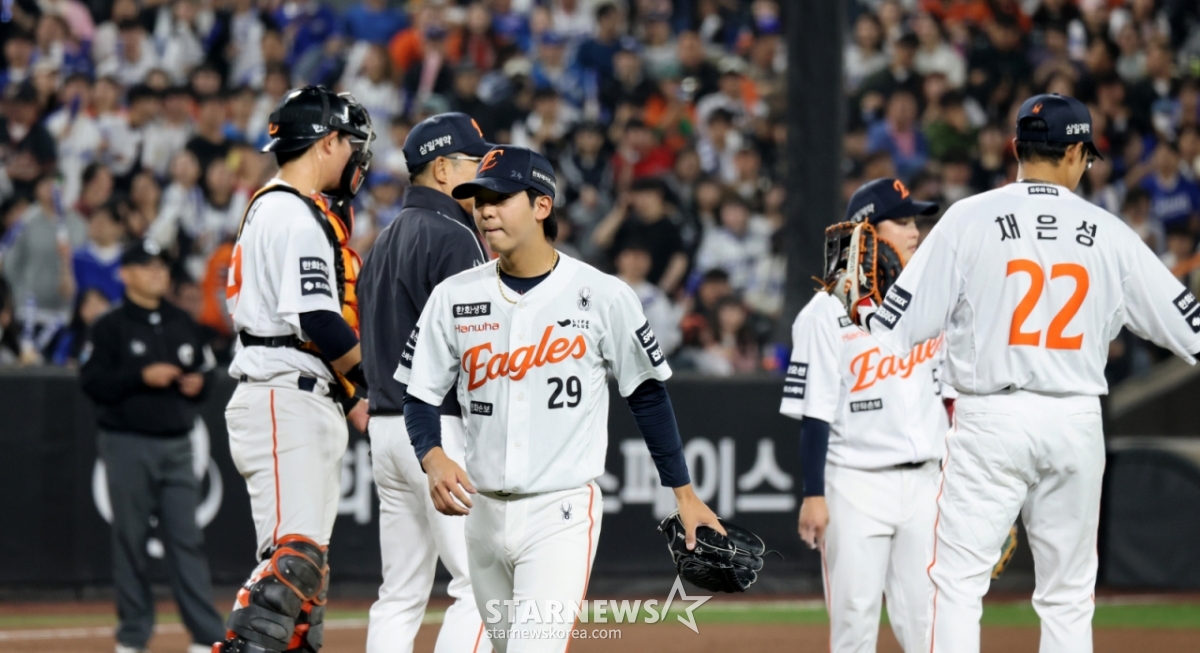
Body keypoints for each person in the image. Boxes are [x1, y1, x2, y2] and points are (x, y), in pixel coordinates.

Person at [862, 94, 1200, 653]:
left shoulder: (968, 218)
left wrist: (860, 308)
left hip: (992, 417)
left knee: (958, 584)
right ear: (1072, 152)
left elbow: (895, 329)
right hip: (1076, 418)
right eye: (1085, 156)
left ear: (1017, 147)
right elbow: (1191, 329)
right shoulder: (1109, 231)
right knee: (1068, 595)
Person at [399, 145, 725, 651]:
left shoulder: (603, 295)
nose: (485, 211)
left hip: (560, 513)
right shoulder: (454, 295)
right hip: (482, 516)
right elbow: (419, 394)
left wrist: (683, 494)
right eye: (479, 200)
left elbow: (647, 396)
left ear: (542, 205)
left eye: (500, 198)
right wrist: (432, 454)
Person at [216, 86, 374, 653]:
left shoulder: (281, 207)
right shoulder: (293, 212)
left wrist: (351, 394)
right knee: (292, 567)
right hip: (285, 392)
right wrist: (377, 383)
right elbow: (319, 321)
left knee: (304, 592)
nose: (358, 155)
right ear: (327, 142)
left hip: (300, 389)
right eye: (351, 142)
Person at [780, 178, 949, 653]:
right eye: (902, 221)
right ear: (867, 233)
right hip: (855, 483)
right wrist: (814, 494)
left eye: (916, 221)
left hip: (927, 481)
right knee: (854, 622)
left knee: (929, 624)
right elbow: (814, 414)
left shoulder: (930, 301)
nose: (914, 231)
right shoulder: (823, 313)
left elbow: (952, 400)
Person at [357, 112, 492, 653]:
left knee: (400, 593)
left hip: (386, 429)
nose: (483, 171)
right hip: (438, 430)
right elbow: (475, 349)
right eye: (473, 161)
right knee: (479, 586)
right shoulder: (454, 235)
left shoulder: (383, 240)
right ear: (441, 169)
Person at [79, 240, 225, 653]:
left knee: (187, 540)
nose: (158, 272)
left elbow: (207, 372)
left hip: (178, 445)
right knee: (131, 540)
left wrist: (199, 385)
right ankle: (133, 635)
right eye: (147, 266)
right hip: (127, 442)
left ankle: (205, 635)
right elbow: (91, 382)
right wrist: (140, 376)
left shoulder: (182, 322)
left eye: (161, 265)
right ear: (125, 274)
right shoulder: (109, 327)